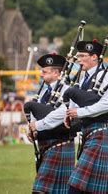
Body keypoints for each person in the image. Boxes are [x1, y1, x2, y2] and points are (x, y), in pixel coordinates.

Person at [65, 40, 108, 193]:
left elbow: (107, 104)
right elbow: (77, 101)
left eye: (82, 56)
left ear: (94, 57)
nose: (79, 59)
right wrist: (70, 113)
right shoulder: (83, 79)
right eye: (78, 56)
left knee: (75, 186)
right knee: (86, 188)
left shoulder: (105, 76)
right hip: (88, 133)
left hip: (99, 133)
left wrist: (79, 113)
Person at [27, 53, 75, 194]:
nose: (41, 74)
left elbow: (62, 114)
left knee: (40, 190)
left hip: (60, 145)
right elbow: (37, 111)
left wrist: (38, 125)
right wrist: (33, 128)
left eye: (44, 71)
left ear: (56, 73)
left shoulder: (66, 90)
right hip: (45, 146)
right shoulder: (43, 92)